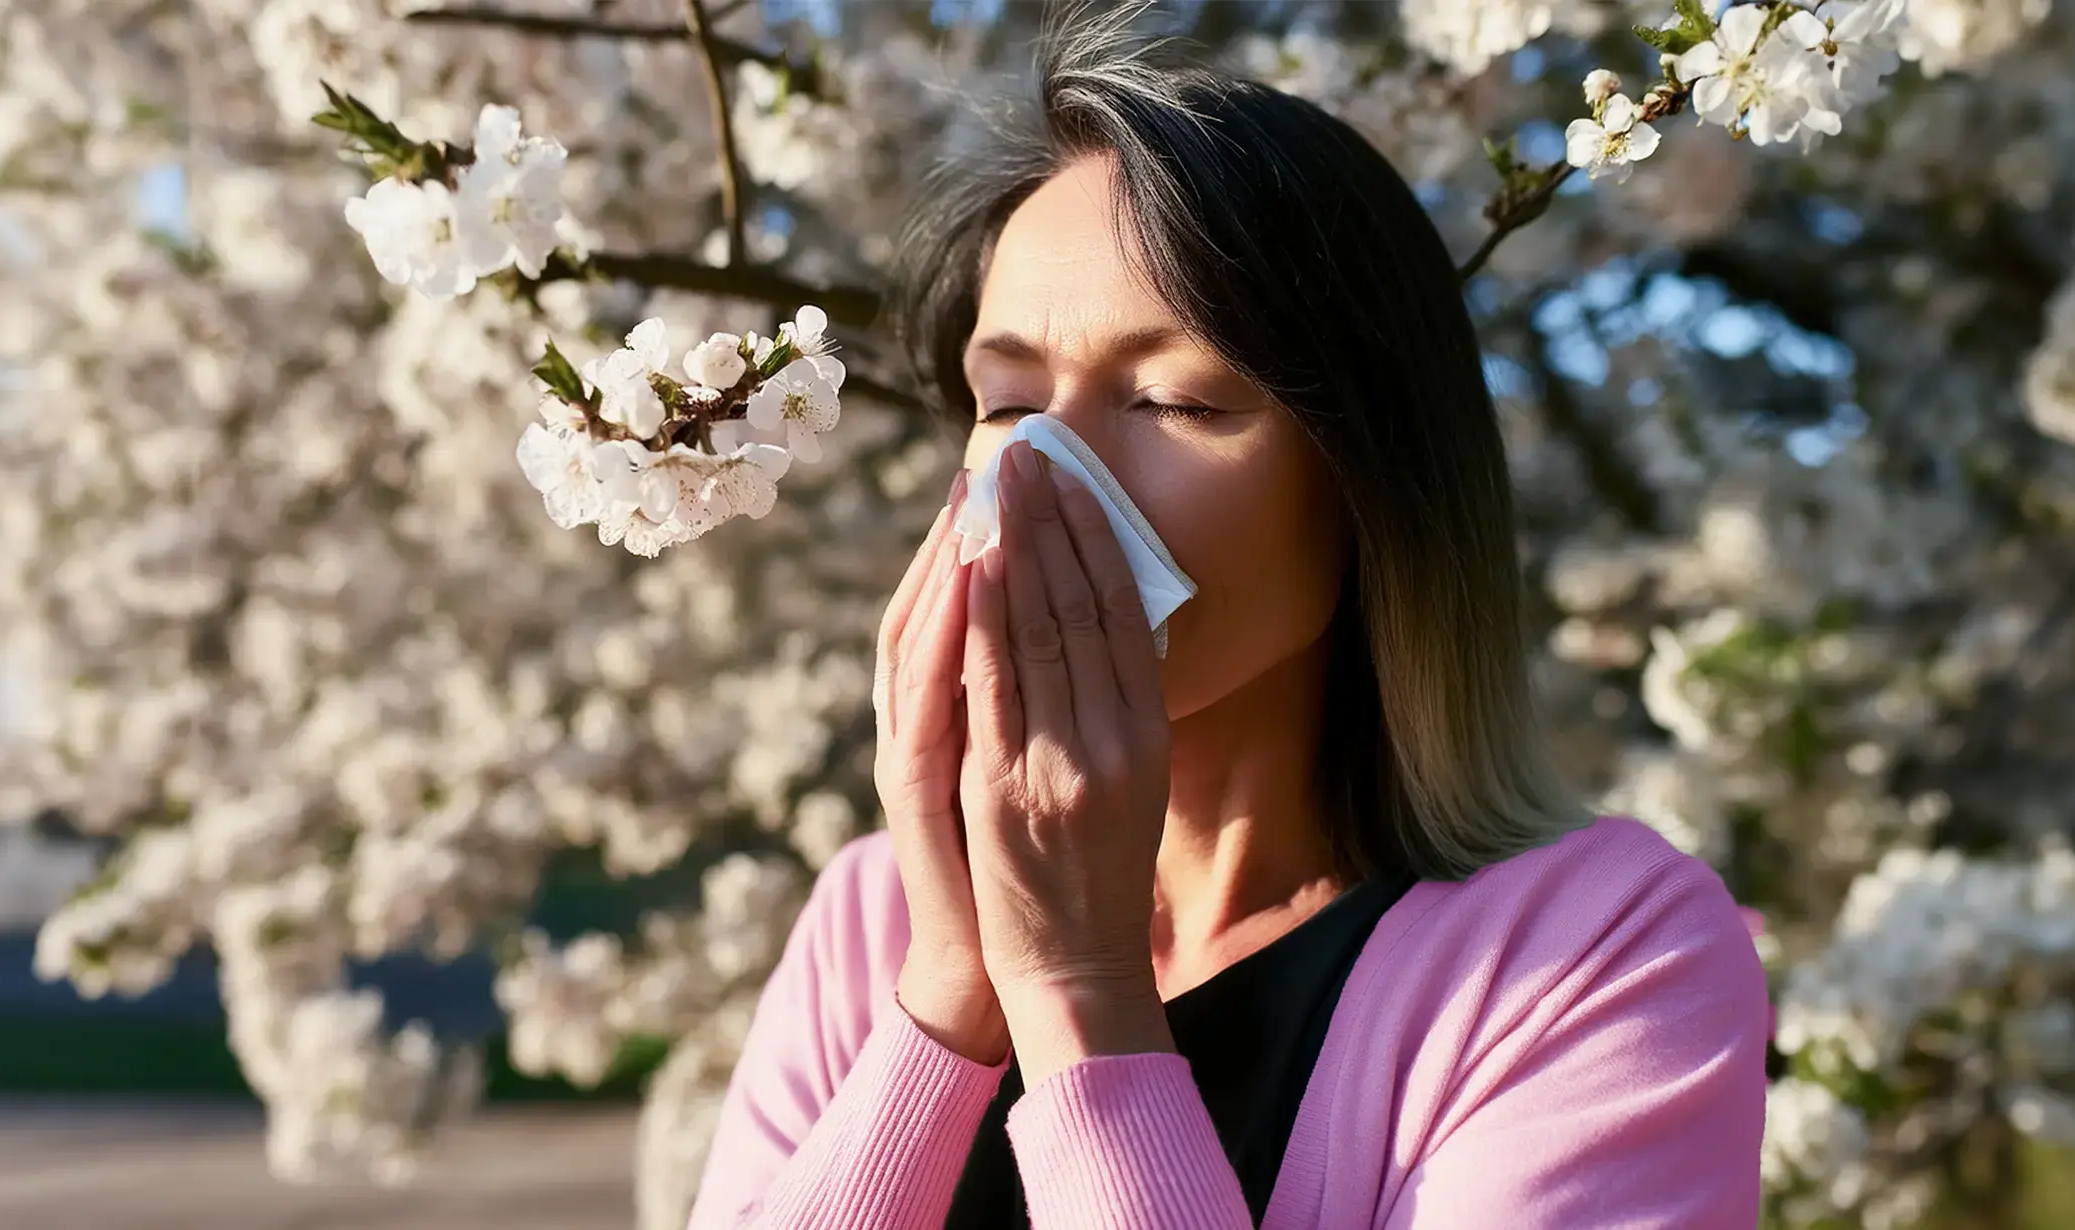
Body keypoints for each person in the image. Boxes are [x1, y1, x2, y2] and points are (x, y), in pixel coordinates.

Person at [685, 12, 1767, 1229]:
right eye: (1008, 398)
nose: (1047, 472)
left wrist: (1075, 986)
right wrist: (944, 997)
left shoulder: (1594, 956)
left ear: (1367, 485)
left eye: (1169, 399)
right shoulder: (874, 921)